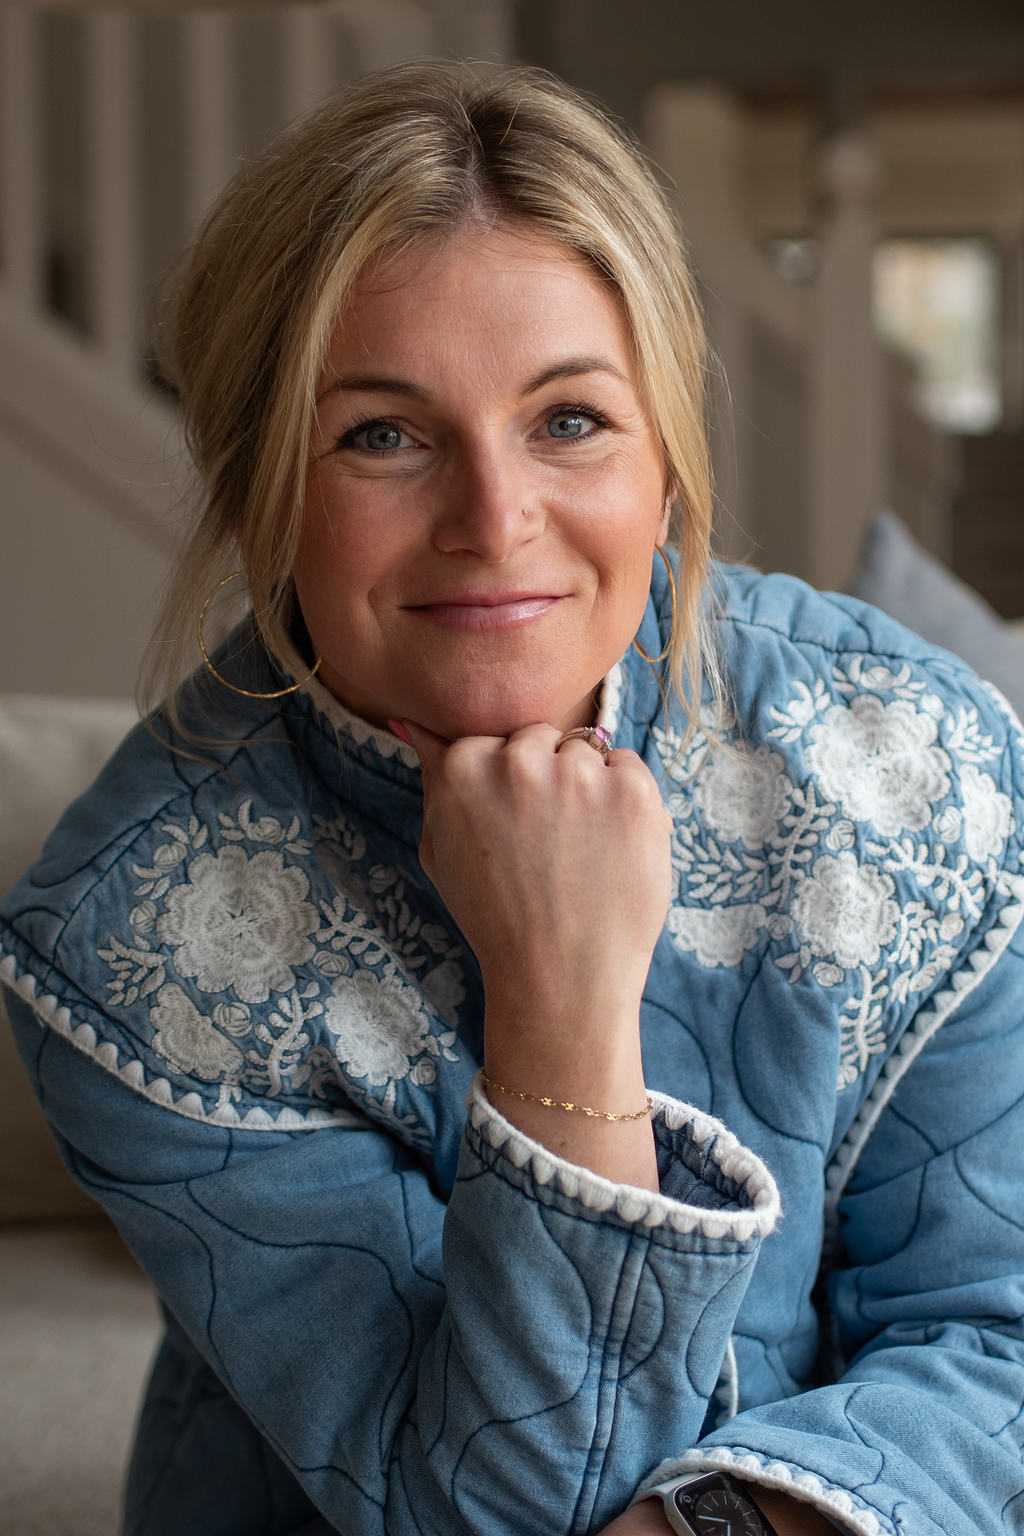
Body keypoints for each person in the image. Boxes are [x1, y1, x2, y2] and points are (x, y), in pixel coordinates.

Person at [1, 60, 1022, 1536]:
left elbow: (997, 1334)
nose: (494, 520)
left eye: (569, 421)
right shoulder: (137, 940)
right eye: (384, 434)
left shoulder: (915, 762)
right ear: (260, 486)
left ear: (665, 460)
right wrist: (563, 1007)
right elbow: (496, 1511)